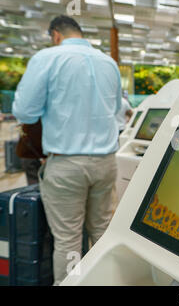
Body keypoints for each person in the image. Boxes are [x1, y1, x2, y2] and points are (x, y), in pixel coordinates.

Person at [12, 15, 122, 285]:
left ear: (55, 35)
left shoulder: (48, 58)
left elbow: (25, 111)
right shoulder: (109, 63)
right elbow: (118, 115)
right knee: (103, 231)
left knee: (69, 240)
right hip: (106, 163)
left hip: (67, 164)